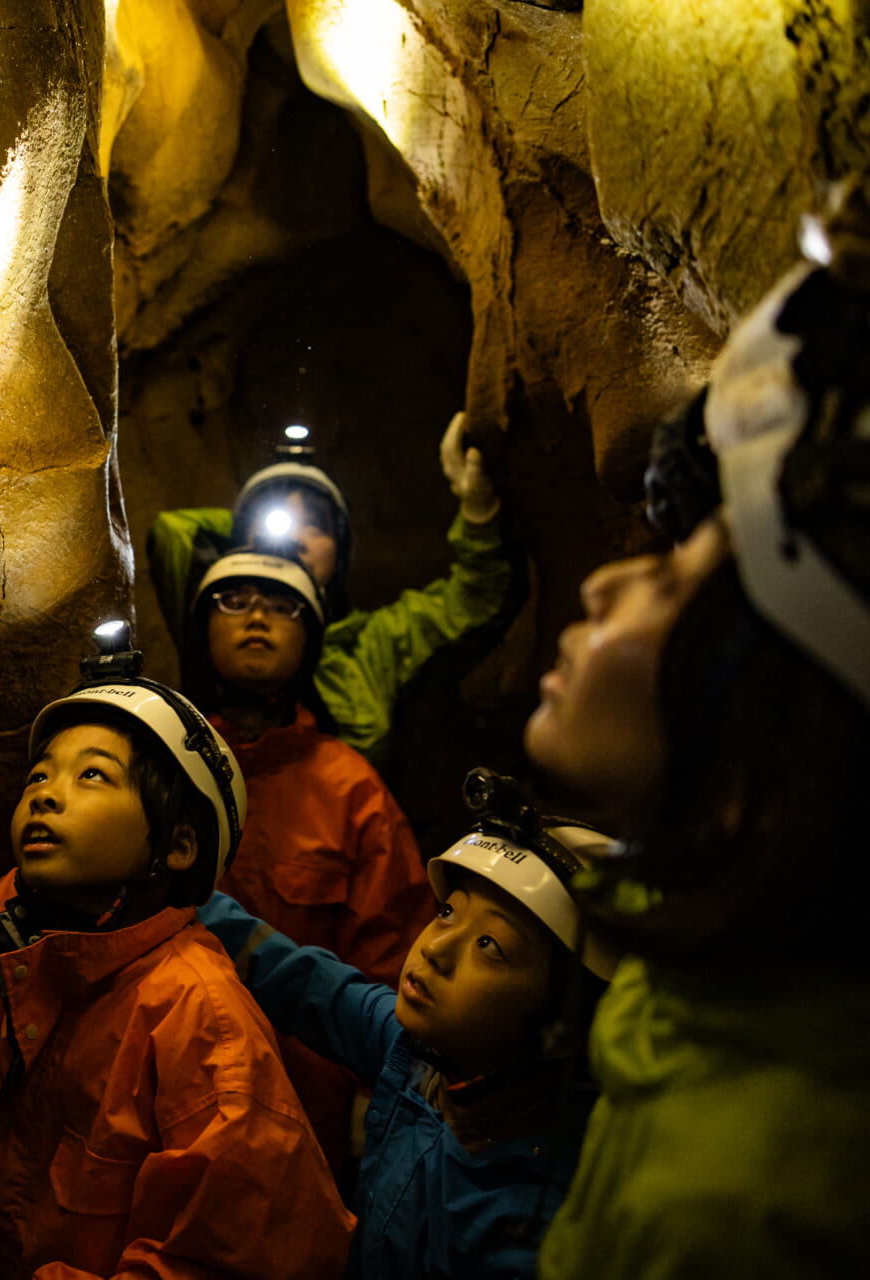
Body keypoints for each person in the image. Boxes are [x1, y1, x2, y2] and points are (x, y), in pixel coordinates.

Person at [524, 183, 870, 1279]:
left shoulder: (743, 1205)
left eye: (672, 578)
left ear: (765, 722)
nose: (604, 586)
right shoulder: (689, 1003)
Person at [0, 652, 353, 1279]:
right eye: (38, 776)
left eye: (92, 776)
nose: (47, 795)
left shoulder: (201, 1022)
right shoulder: (18, 940)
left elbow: (235, 1257)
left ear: (180, 844)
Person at [198, 770, 616, 1279]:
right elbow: (305, 980)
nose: (436, 949)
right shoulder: (421, 1061)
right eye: (447, 912)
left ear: (564, 1019)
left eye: (490, 946)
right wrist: (184, 889)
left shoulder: (533, 1227)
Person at [183, 548, 432, 1173]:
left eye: (283, 605)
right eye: (233, 600)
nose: (258, 616)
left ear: (312, 638)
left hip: (305, 1114)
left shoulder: (351, 791)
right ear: (199, 628)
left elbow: (394, 957)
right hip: (170, 1082)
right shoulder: (164, 767)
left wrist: (379, 1090)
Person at [148, 414, 517, 762]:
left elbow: (476, 598)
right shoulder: (221, 616)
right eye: (281, 521)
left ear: (340, 555)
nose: (295, 538)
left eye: (316, 525)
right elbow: (173, 533)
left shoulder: (371, 645)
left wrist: (478, 512)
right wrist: (252, 534)